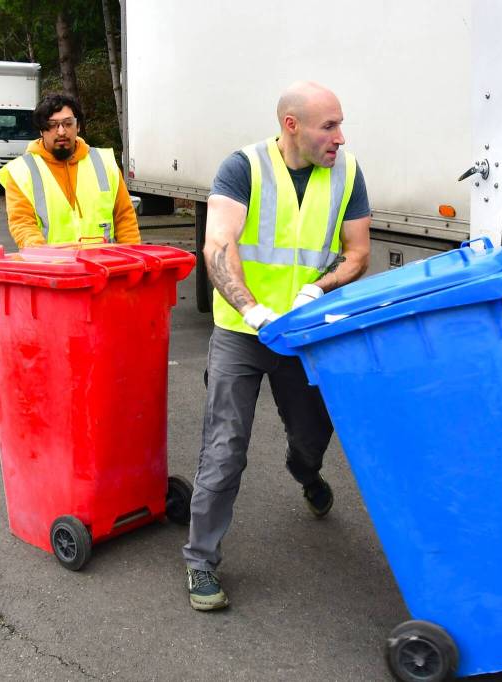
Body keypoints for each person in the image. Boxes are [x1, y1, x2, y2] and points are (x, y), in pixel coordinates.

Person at [182, 81, 372, 611]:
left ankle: (305, 473)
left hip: (305, 333)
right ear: (292, 125)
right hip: (244, 333)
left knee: (312, 436)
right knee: (224, 450)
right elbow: (218, 246)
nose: (339, 136)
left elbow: (357, 253)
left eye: (339, 124)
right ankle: (200, 560)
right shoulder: (242, 168)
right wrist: (252, 309)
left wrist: (319, 288)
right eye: (328, 126)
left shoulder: (348, 172)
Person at [0, 93, 139, 247]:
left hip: (104, 267)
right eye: (52, 125)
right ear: (41, 130)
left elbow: (125, 219)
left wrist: (135, 261)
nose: (61, 131)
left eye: (68, 123)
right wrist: (42, 258)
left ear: (78, 126)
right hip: (53, 268)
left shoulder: (105, 163)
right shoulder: (21, 172)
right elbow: (23, 225)